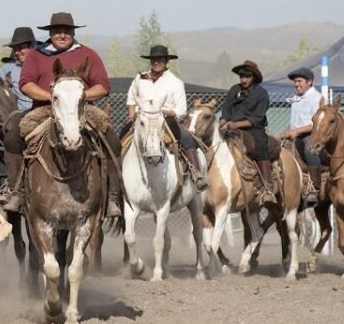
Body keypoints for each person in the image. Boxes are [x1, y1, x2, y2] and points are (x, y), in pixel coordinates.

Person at [1, 12, 123, 225]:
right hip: (44, 108)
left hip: (80, 109)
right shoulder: (36, 55)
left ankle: (112, 196)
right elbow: (26, 84)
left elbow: (103, 86)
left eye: (66, 31)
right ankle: (16, 191)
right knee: (13, 134)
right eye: (57, 31)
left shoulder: (88, 54)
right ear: (50, 33)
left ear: (73, 32)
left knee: (111, 137)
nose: (62, 35)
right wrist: (53, 97)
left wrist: (79, 97)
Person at [125, 45, 207, 190]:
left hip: (165, 120)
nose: (156, 62)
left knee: (187, 138)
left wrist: (162, 111)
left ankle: (196, 174)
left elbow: (181, 110)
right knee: (121, 136)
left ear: (166, 61)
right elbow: (131, 98)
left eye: (160, 59)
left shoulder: (175, 82)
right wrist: (131, 115)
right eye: (154, 59)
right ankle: (116, 174)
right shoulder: (140, 78)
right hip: (141, 119)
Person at [220, 59, 275, 205]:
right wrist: (222, 122)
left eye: (247, 77)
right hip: (230, 126)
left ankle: (267, 186)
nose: (243, 80)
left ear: (254, 77)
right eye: (241, 76)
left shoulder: (261, 93)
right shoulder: (234, 90)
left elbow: (258, 117)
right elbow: (225, 109)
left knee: (261, 144)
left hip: (252, 128)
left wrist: (236, 124)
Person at [277, 67, 323, 204]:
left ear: (309, 82)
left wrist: (297, 131)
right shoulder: (296, 98)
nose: (296, 84)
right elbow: (295, 123)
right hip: (294, 135)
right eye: (295, 82)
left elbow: (316, 124)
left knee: (310, 149)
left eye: (299, 81)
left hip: (311, 135)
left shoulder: (317, 98)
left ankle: (315, 188)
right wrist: (286, 132)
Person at [0, 26, 36, 113]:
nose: (17, 52)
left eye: (21, 48)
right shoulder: (7, 69)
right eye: (15, 49)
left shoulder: (44, 66)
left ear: (32, 47)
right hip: (19, 116)